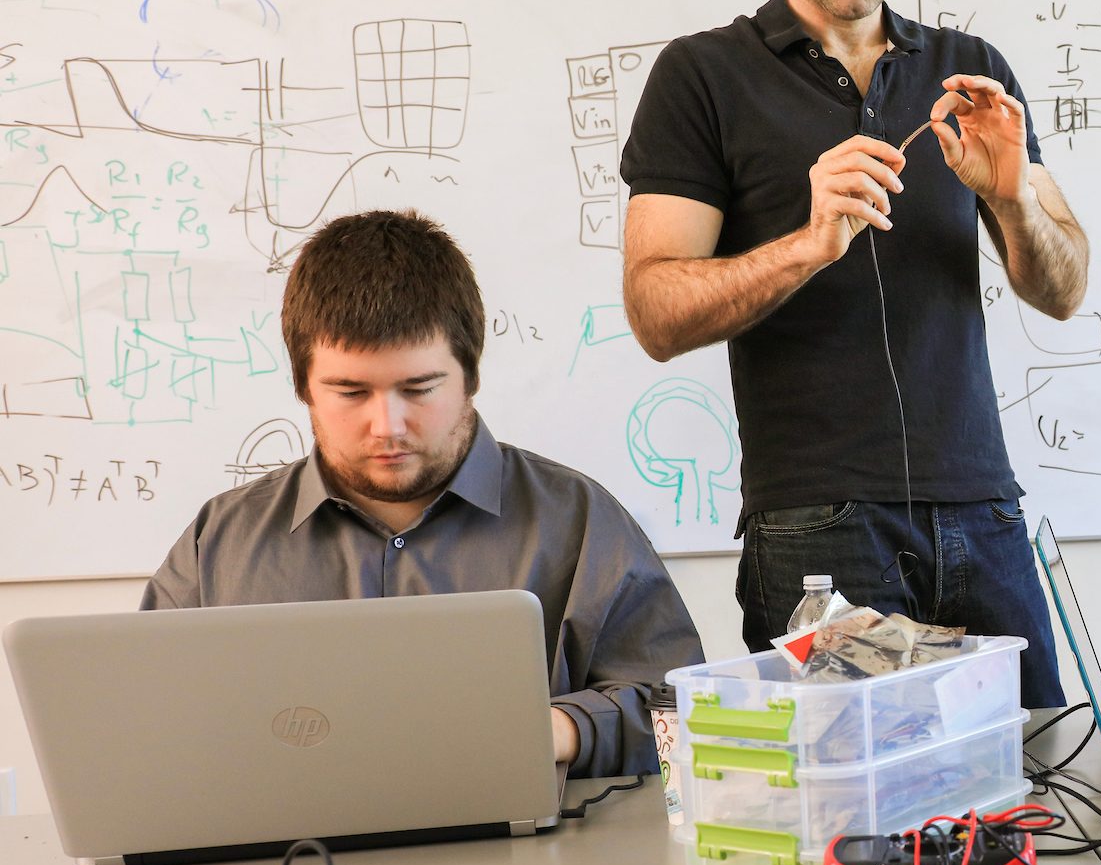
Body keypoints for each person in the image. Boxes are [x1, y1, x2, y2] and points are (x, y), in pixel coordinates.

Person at [617, 0, 1082, 707]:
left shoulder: (970, 71)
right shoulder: (705, 76)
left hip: (981, 512)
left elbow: (1064, 288)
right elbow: (656, 309)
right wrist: (806, 241)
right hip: (817, 530)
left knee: (1040, 785)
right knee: (853, 816)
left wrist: (1013, 201)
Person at [143, 211, 703, 779]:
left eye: (419, 388)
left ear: (471, 374)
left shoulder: (579, 522)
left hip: (524, 861)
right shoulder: (218, 545)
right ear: (301, 386)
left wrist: (559, 730)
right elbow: (144, 725)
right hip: (285, 859)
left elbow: (683, 715)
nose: (387, 425)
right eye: (349, 391)